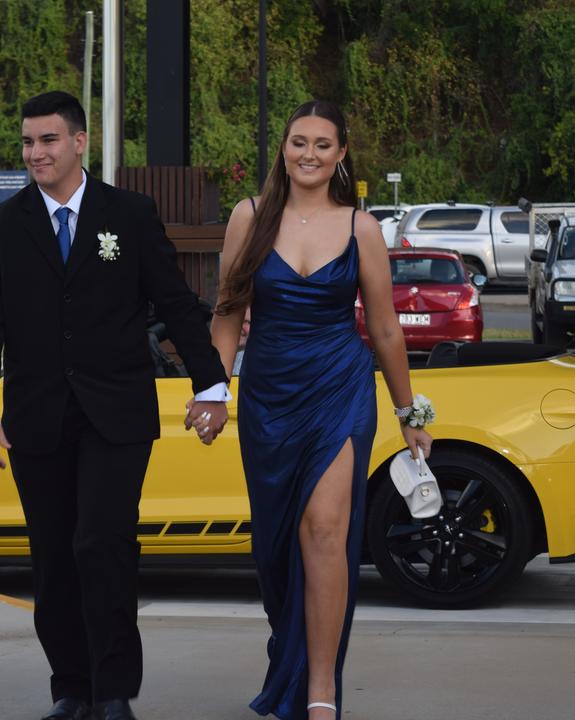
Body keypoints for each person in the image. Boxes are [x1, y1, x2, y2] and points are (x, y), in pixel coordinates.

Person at [0, 90, 230, 720]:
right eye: (27, 142)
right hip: (37, 416)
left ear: (79, 142)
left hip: (116, 416)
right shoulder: (0, 226)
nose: (36, 153)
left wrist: (211, 385)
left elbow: (175, 303)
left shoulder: (130, 215)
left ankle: (113, 692)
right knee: (53, 555)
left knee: (102, 542)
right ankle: (70, 689)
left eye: (48, 140)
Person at [197, 100, 433, 720]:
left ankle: (322, 691)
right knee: (275, 550)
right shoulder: (249, 217)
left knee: (326, 532)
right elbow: (226, 315)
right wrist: (214, 392)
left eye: (322, 145)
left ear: (341, 155)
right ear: (283, 149)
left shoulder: (361, 228)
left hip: (339, 388)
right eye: (298, 142)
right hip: (270, 394)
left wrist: (411, 415)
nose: (309, 154)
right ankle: (292, 662)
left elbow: (384, 330)